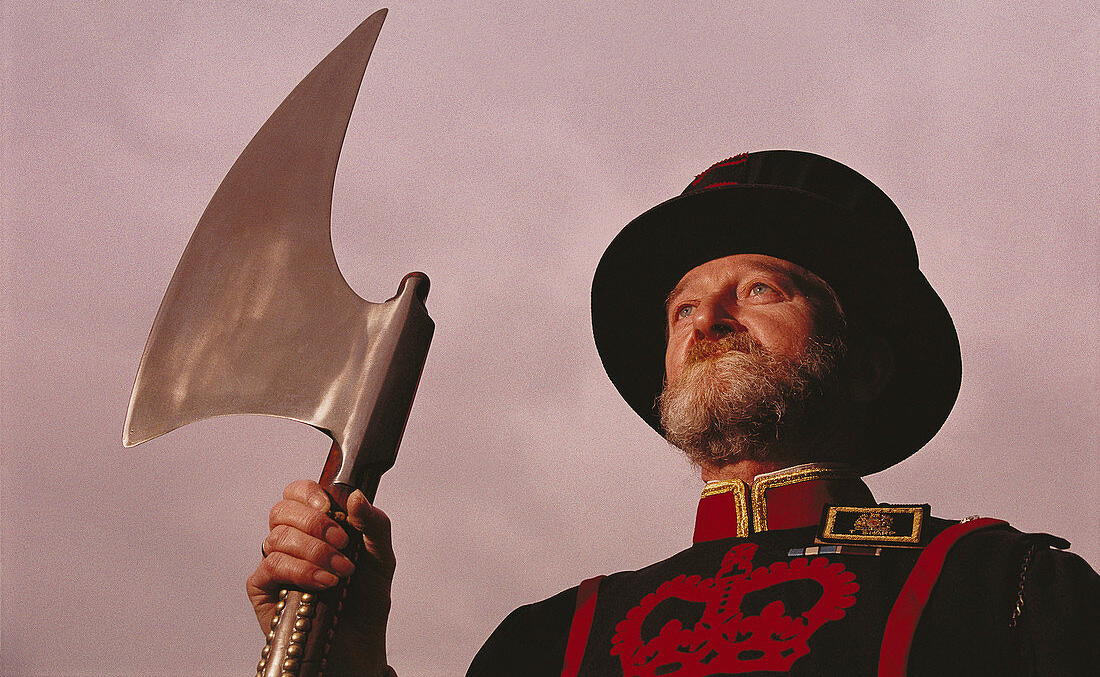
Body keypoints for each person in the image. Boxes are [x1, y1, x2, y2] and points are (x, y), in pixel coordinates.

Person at [247, 151, 1098, 675]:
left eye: (758, 289)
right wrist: (349, 662)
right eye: (683, 308)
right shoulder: (550, 641)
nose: (709, 320)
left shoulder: (1005, 589)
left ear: (867, 364)